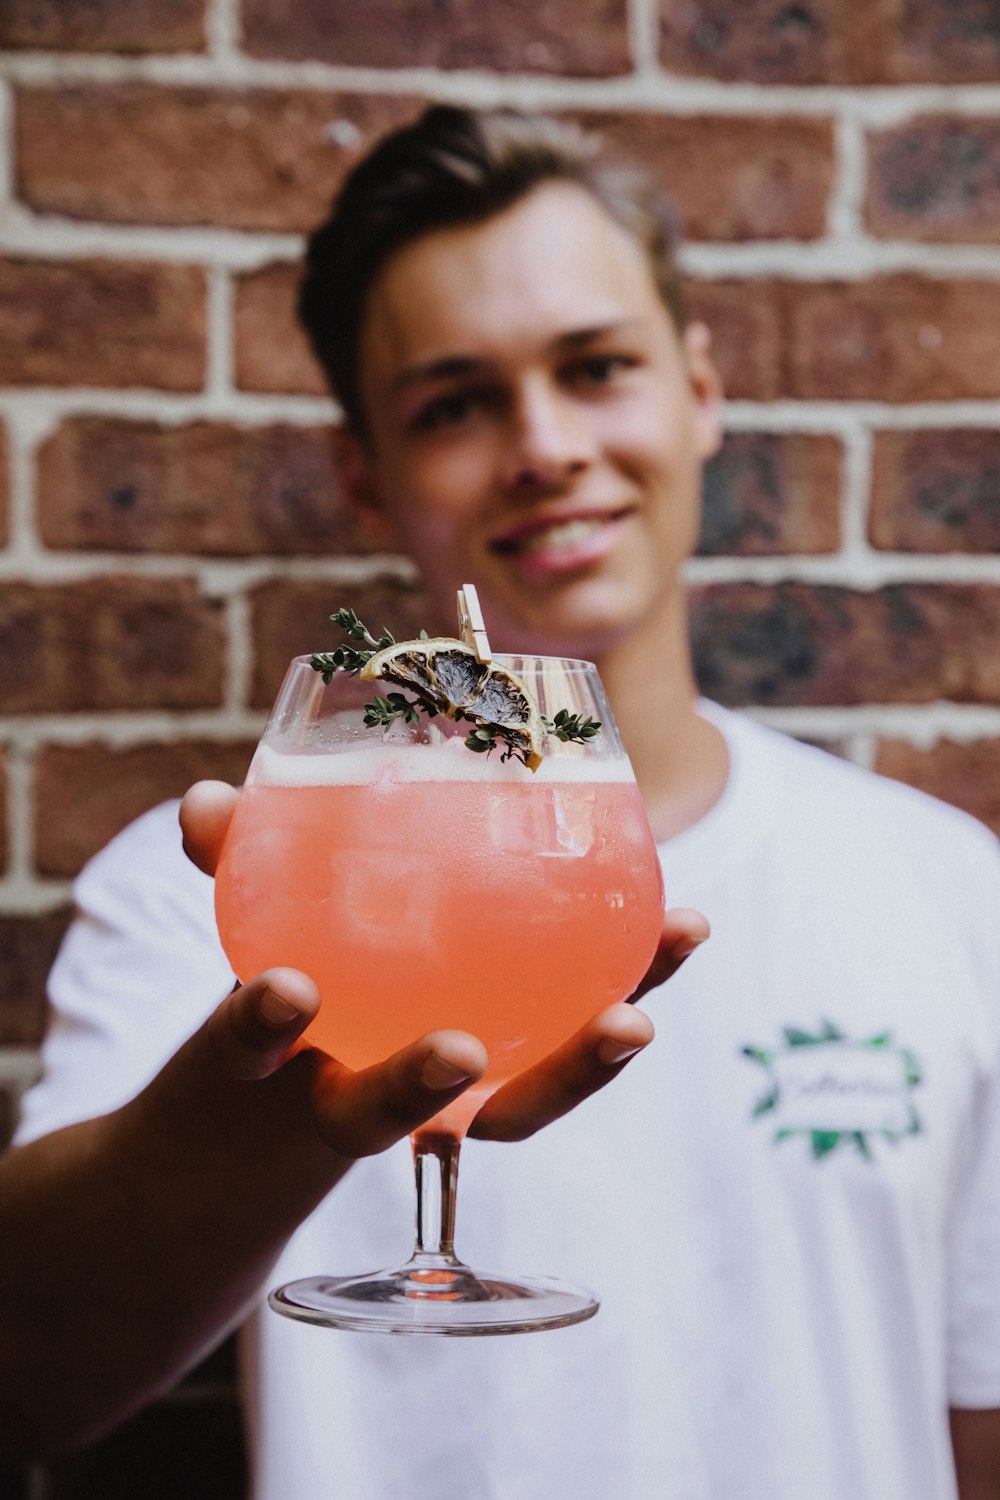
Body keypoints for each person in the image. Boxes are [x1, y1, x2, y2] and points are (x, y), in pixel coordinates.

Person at [6, 103, 1000, 1499]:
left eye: (596, 366)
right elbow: (25, 1379)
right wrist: (277, 1113)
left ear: (699, 390)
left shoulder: (950, 888)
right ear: (365, 470)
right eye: (454, 403)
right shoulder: (212, 890)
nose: (543, 445)